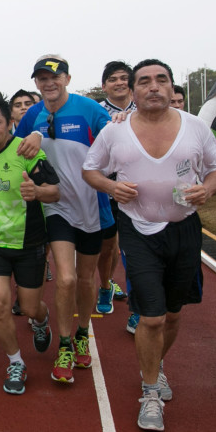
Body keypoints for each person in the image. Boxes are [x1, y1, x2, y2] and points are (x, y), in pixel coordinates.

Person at [83, 59, 216, 431]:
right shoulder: (116, 132)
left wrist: (206, 189)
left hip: (184, 228)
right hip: (137, 229)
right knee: (152, 316)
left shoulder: (194, 127)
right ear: (134, 90)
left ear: (170, 86)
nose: (154, 86)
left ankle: (156, 365)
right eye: (144, 81)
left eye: (162, 79)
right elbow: (90, 170)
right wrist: (112, 186)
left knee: (173, 314)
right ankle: (150, 394)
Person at [15, 55, 112, 384]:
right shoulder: (33, 114)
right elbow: (10, 148)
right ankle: (66, 344)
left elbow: (116, 144)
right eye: (41, 79)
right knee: (66, 279)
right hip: (55, 208)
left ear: (67, 79)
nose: (48, 84)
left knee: (85, 280)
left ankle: (83, 331)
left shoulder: (89, 110)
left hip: (93, 207)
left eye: (54, 78)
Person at [0, 91, 59, 394]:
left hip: (28, 241)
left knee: (29, 306)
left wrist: (37, 193)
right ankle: (15, 362)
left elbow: (55, 192)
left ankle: (41, 319)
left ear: (9, 123)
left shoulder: (26, 152)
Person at [96, 61, 135, 316]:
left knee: (135, 249)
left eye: (123, 78)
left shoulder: (145, 109)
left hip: (140, 192)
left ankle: (139, 306)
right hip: (107, 189)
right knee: (108, 247)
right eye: (112, 79)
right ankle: (105, 285)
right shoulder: (96, 111)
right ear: (104, 85)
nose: (119, 82)